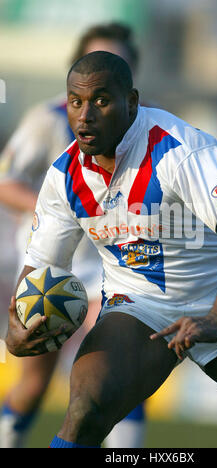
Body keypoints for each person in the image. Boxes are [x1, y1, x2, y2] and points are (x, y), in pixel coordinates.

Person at [5, 51, 217, 449]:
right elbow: (42, 267)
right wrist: (16, 328)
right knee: (84, 410)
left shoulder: (182, 148)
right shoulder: (62, 175)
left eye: (101, 100)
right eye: (76, 102)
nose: (85, 115)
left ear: (132, 101)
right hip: (136, 307)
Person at [0, 23, 145, 449]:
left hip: (114, 265)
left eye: (117, 62)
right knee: (36, 375)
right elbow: (6, 181)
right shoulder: (47, 119)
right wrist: (61, 211)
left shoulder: (148, 126)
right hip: (54, 263)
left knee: (124, 363)